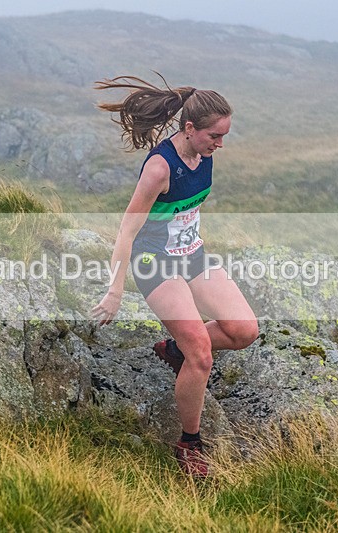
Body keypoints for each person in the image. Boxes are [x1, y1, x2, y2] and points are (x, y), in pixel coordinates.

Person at [91, 74, 259, 478]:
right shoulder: (159, 168)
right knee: (202, 352)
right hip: (154, 263)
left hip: (192, 256)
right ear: (190, 129)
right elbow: (126, 231)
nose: (220, 144)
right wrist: (115, 290)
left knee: (245, 330)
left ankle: (174, 350)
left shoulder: (205, 155)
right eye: (215, 136)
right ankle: (189, 442)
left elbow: (187, 211)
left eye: (224, 136)